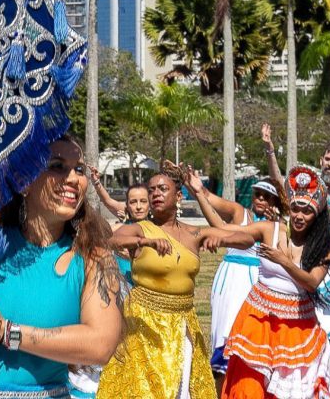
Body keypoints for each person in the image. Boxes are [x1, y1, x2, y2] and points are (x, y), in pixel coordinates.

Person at [0, 134, 123, 399]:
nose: (74, 179)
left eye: (79, 169)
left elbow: (100, 344)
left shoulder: (94, 257)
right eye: (57, 166)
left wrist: (6, 332)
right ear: (24, 182)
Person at [99, 162, 255, 399]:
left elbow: (246, 239)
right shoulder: (142, 229)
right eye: (152, 190)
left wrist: (219, 239)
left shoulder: (195, 234)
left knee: (182, 389)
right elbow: (113, 241)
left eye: (162, 189)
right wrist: (145, 243)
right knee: (145, 391)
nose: (155, 194)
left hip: (183, 324)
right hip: (144, 324)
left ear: (178, 196)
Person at [192, 164, 330, 399]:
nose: (299, 216)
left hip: (296, 327)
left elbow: (312, 282)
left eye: (307, 211)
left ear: (317, 215)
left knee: (290, 391)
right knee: (249, 387)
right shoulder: (271, 229)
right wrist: (218, 238)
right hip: (258, 320)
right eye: (295, 209)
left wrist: (285, 262)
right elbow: (235, 233)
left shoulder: (323, 247)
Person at [186, 133, 287, 389]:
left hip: (258, 282)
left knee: (253, 336)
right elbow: (217, 221)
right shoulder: (241, 214)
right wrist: (199, 192)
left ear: (275, 201)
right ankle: (221, 385)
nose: (261, 200)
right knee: (226, 333)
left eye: (267, 197)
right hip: (231, 280)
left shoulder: (279, 226)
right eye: (258, 195)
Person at [263, 132, 330, 366]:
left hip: (327, 260)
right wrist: (270, 149)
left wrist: (325, 204)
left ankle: (326, 364)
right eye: (328, 159)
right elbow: (279, 181)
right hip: (298, 254)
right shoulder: (306, 183)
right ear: (321, 160)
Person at [90, 167, 150, 284]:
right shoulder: (120, 226)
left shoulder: (157, 227)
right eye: (133, 202)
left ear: (150, 203)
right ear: (127, 205)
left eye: (143, 201)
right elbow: (108, 201)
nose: (138, 206)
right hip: (120, 281)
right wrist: (97, 182)